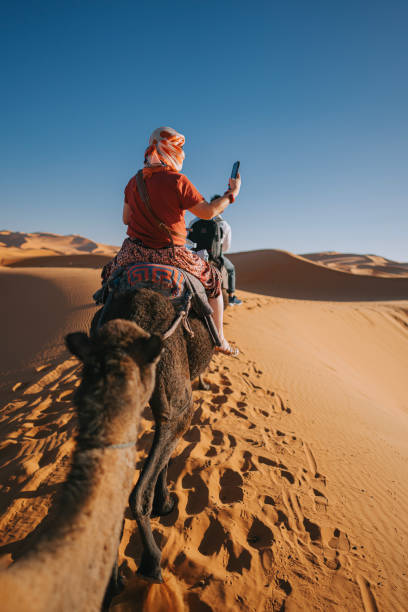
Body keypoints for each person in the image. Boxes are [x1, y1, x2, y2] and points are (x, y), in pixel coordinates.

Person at [103, 126, 241, 356]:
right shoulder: (177, 180)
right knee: (214, 282)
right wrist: (231, 194)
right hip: (172, 254)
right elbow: (208, 212)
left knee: (109, 277)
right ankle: (219, 340)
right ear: (172, 150)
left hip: (134, 252)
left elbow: (126, 218)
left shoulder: (133, 182)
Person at [188, 197, 242, 306]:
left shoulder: (194, 221)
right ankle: (231, 296)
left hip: (195, 255)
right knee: (231, 270)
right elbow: (226, 247)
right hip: (215, 255)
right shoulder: (224, 225)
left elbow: (188, 240)